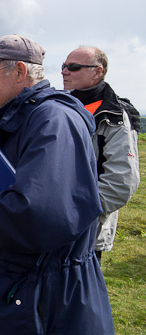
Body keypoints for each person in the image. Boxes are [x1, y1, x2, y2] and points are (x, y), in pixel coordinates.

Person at [0, 34, 114, 334]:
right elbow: (24, 187)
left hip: (46, 300)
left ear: (20, 72)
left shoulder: (53, 120)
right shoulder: (23, 117)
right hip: (20, 290)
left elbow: (37, 214)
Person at [62, 46, 140, 264]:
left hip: (86, 232)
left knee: (78, 296)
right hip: (51, 224)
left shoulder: (114, 116)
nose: (64, 71)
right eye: (64, 66)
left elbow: (121, 182)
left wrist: (75, 213)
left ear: (97, 72)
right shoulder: (60, 105)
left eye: (73, 67)